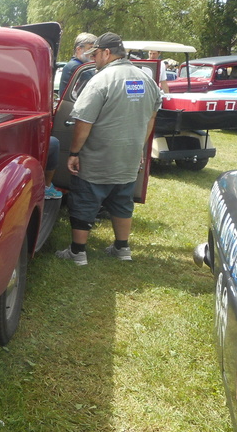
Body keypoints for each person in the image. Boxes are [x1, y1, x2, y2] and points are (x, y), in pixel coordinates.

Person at [55, 32, 162, 266]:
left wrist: (74, 152)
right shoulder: (146, 80)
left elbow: (84, 121)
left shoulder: (101, 80)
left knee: (84, 199)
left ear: (106, 52)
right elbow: (151, 117)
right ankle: (122, 248)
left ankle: (78, 251)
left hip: (98, 156)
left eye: (96, 55)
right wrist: (140, 148)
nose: (94, 60)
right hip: (129, 155)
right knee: (122, 200)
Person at [58, 33, 98, 99]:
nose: (93, 53)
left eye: (95, 49)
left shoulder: (74, 64)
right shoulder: (77, 67)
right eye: (90, 48)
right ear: (79, 49)